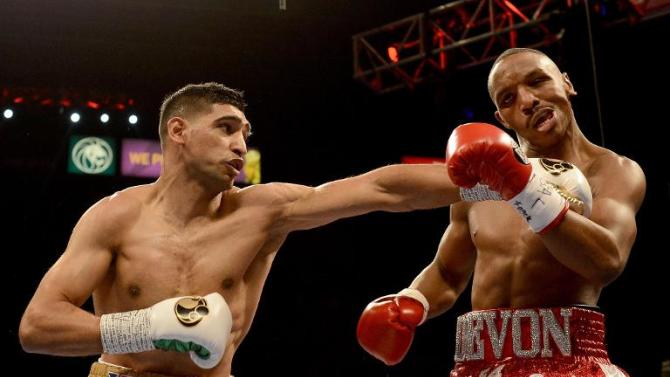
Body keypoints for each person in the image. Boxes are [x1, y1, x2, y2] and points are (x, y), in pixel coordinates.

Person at [18, 82, 464, 377]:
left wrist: (503, 183)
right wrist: (149, 327)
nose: (239, 145)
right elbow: (37, 327)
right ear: (178, 131)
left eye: (245, 134)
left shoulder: (262, 211)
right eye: (226, 128)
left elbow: (382, 188)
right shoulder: (115, 216)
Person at [356, 48, 646, 376]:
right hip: (477, 364)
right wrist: (412, 302)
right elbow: (448, 273)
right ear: (501, 119)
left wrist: (525, 190)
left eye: (537, 81)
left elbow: (606, 262)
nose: (528, 100)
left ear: (566, 83)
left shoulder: (614, 172)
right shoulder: (478, 180)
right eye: (508, 99)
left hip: (567, 362)